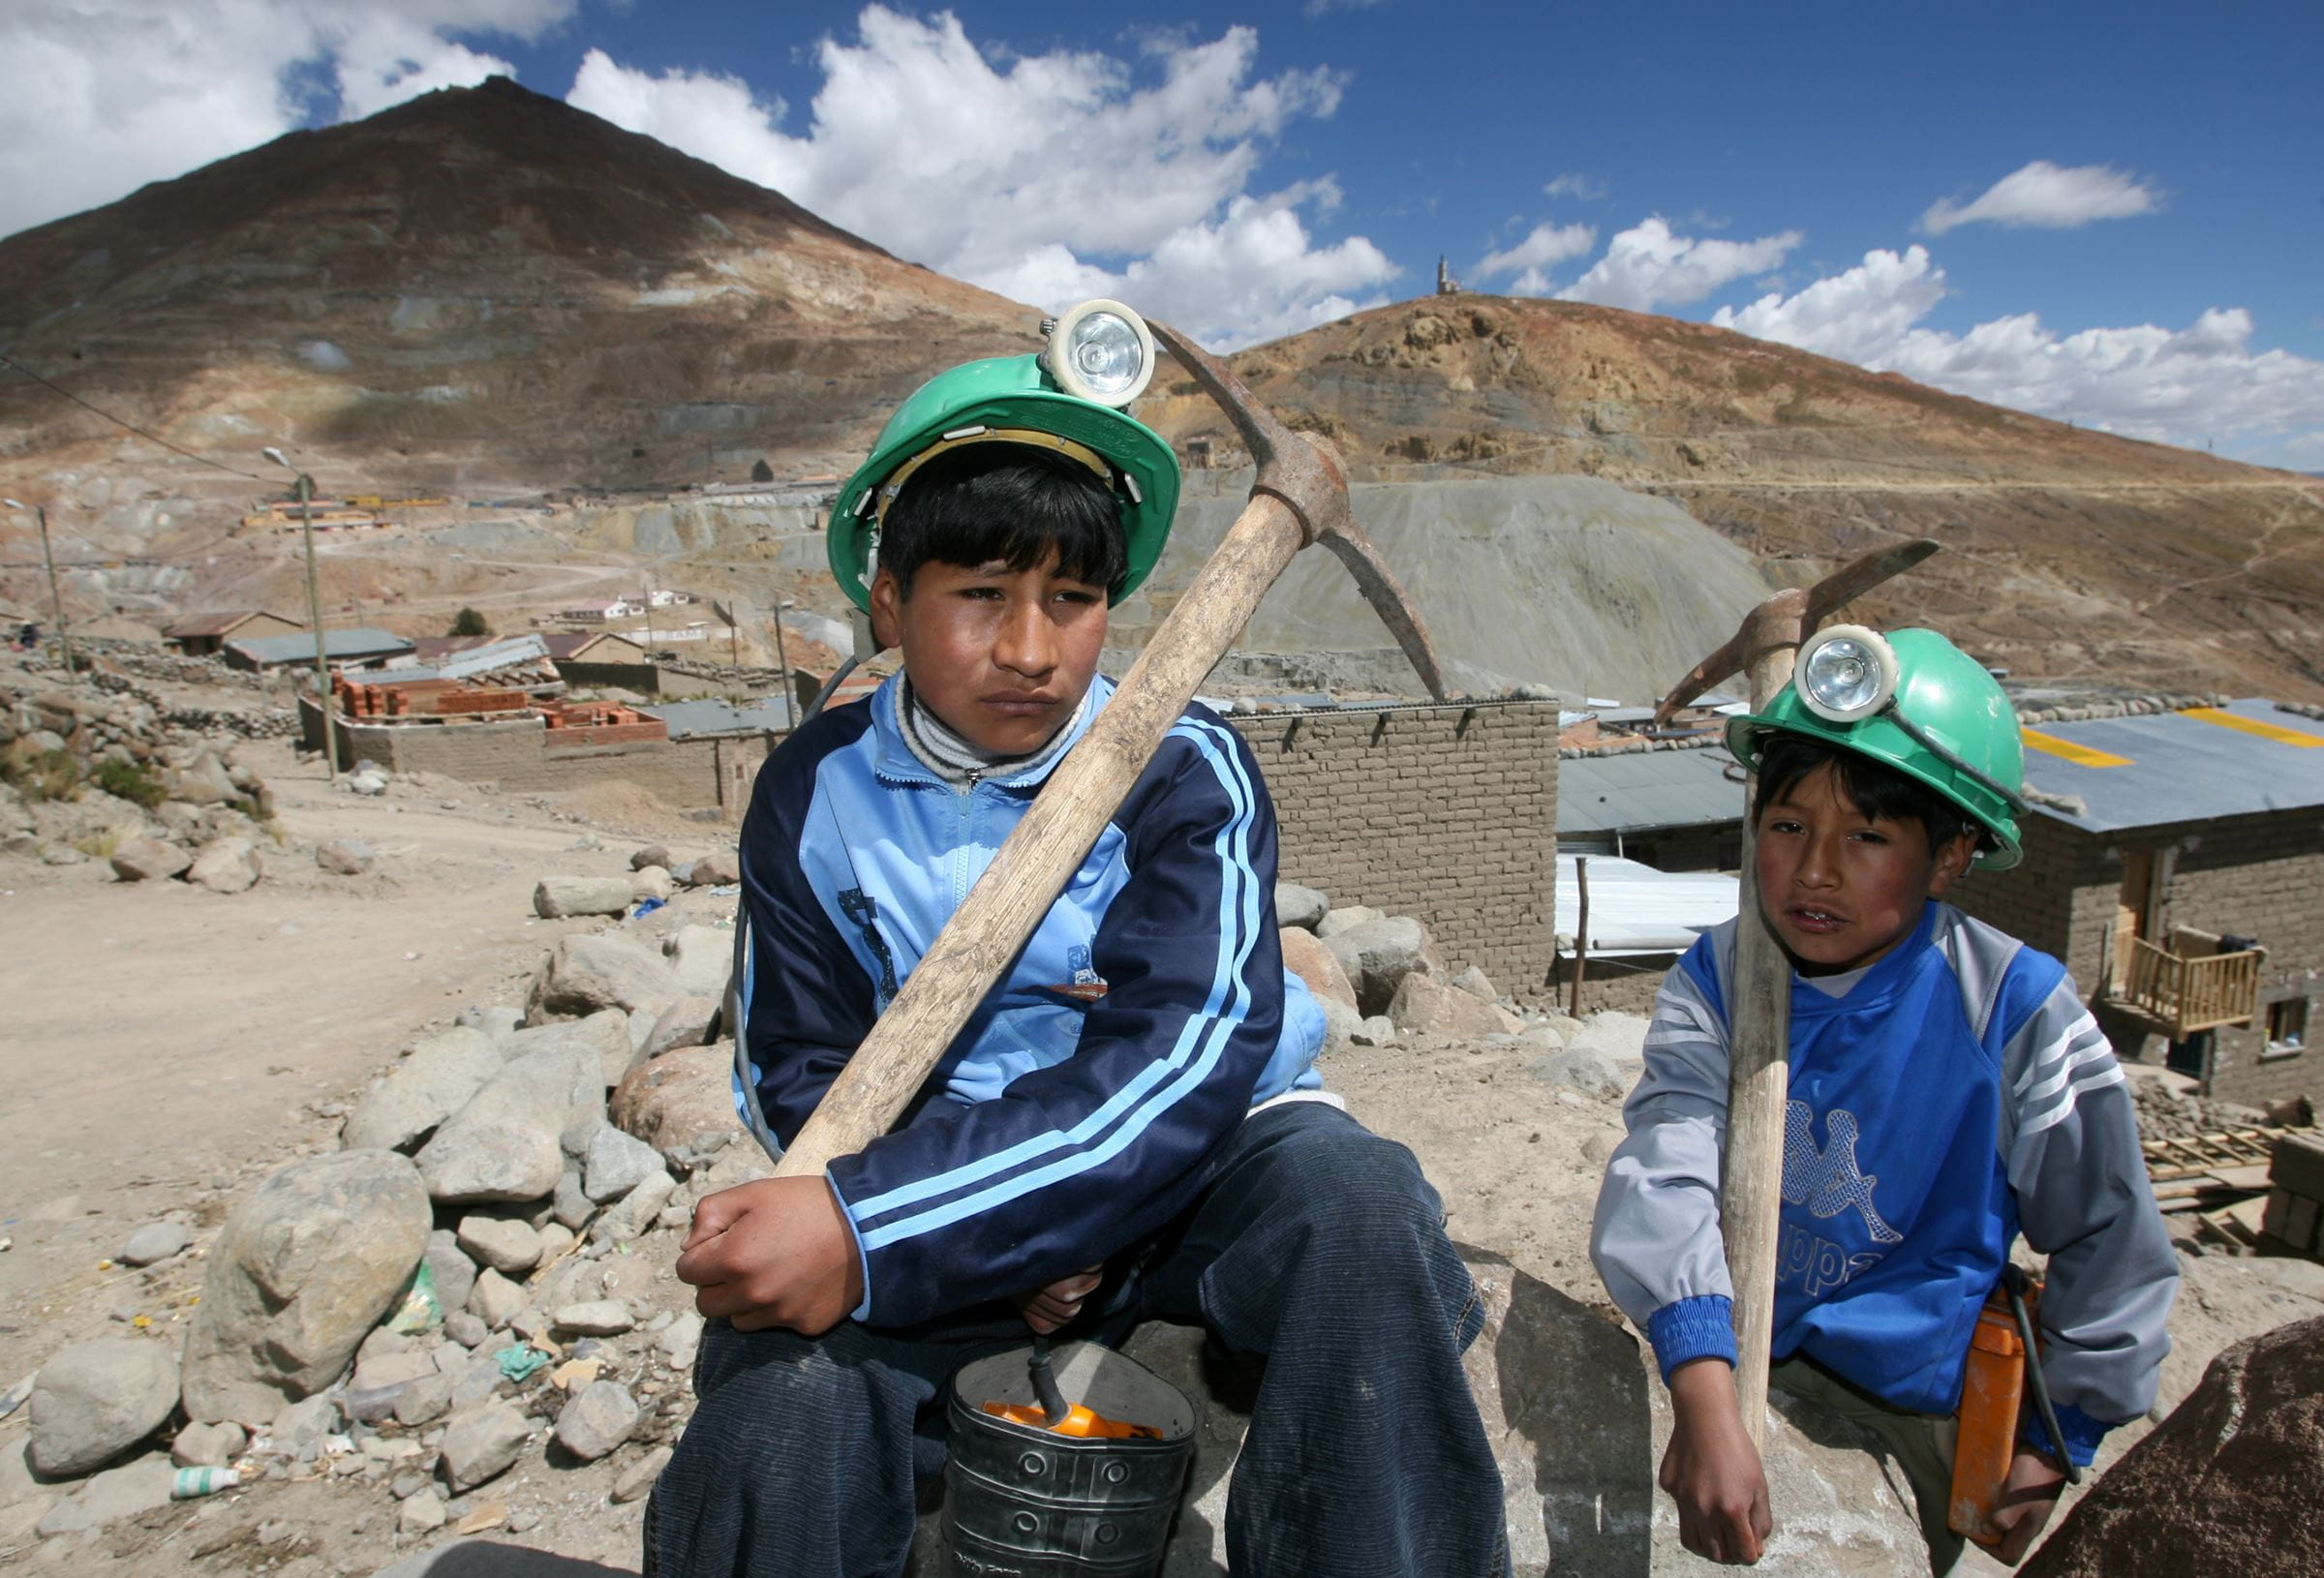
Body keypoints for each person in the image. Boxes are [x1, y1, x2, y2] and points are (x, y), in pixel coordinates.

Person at [649, 312, 1507, 1578]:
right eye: (982, 595)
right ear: (888, 597)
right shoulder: (811, 792)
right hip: (929, 1182)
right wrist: (945, 1226)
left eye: (1075, 597)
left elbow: (1183, 1065)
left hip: (1192, 1175)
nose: (1032, 648)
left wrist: (978, 1222)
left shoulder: (1186, 765)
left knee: (1363, 1209)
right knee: (776, 1383)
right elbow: (797, 1070)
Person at [1589, 627, 2177, 1574]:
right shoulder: (1725, 976)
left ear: (1950, 856)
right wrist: (1702, 1389)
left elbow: (2112, 1235)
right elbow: (1667, 1161)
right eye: (1787, 827)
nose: (1816, 869)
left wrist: (2061, 1430)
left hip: (1908, 1402)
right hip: (1732, 1345)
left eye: (1867, 836)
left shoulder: (2016, 1013)